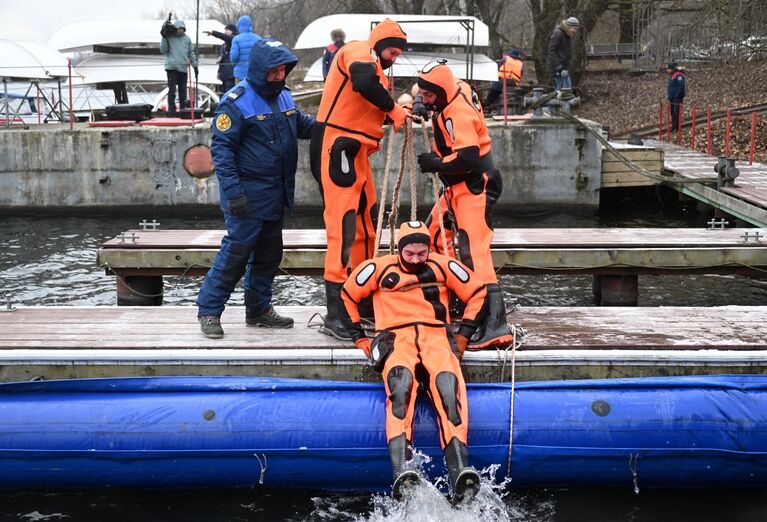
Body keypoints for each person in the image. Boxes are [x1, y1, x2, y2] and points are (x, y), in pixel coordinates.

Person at [341, 221, 485, 504]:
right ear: (399, 250)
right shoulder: (378, 268)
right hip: (396, 337)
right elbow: (346, 295)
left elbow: (478, 291)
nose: (417, 260)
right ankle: (401, 470)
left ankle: (459, 468)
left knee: (448, 385)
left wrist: (464, 335)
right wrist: (360, 339)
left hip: (436, 337)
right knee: (400, 385)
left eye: (422, 253)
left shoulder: (443, 266)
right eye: (410, 254)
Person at [196, 38, 315, 339]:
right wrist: (234, 193)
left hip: (276, 194)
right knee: (235, 254)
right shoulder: (235, 102)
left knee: (269, 254)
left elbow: (301, 125)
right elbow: (221, 152)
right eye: (273, 72)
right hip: (247, 197)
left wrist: (333, 124)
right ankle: (209, 311)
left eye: (282, 71)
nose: (279, 76)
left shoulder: (285, 96)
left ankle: (259, 310)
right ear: (261, 70)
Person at [309, 18, 409, 340]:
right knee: (343, 228)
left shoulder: (378, 67)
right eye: (392, 50)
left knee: (366, 226)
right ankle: (336, 314)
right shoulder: (358, 51)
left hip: (357, 151)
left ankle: (361, 295)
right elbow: (363, 82)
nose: (394, 58)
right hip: (336, 145)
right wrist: (394, 110)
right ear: (379, 43)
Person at [415, 61, 513, 349]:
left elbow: (468, 157)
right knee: (431, 236)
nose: (427, 99)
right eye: (424, 94)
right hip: (457, 188)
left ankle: (495, 323)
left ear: (442, 91)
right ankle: (455, 298)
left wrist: (436, 163)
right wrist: (422, 103)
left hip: (474, 186)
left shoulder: (457, 113)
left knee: (474, 252)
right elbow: (430, 87)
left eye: (430, 96)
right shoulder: (455, 86)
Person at [159, 19, 197, 114]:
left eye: (182, 28)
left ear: (184, 29)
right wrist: (163, 37)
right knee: (172, 92)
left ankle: (183, 111)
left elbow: (191, 53)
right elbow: (163, 50)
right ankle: (172, 112)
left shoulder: (187, 39)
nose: (180, 30)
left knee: (183, 92)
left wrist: (195, 66)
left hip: (183, 69)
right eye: (178, 28)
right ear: (175, 28)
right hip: (171, 68)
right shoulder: (169, 37)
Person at [204, 23, 239, 94]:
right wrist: (219, 72)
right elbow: (222, 59)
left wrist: (213, 33)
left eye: (227, 30)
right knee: (223, 93)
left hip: (231, 73)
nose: (225, 31)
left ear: (232, 31)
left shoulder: (234, 40)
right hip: (224, 73)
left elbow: (224, 37)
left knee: (229, 93)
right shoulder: (224, 45)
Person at [547, 16, 579, 91]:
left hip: (563, 69)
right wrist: (558, 66)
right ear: (569, 27)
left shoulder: (567, 36)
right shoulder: (558, 33)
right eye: (574, 28)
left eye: (576, 29)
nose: (575, 31)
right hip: (557, 69)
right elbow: (551, 50)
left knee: (566, 90)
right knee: (563, 91)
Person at [230, 15, 261, 83]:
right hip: (255, 74)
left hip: (240, 74)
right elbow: (261, 57)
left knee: (239, 92)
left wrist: (235, 65)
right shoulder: (258, 38)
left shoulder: (236, 39)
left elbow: (234, 57)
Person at [667, 62, 686, 134]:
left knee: (676, 112)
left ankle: (677, 127)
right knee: (672, 112)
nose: (667, 70)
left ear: (672, 69)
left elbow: (681, 86)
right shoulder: (672, 76)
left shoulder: (679, 76)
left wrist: (676, 95)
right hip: (672, 97)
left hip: (677, 97)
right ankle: (673, 126)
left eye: (669, 69)